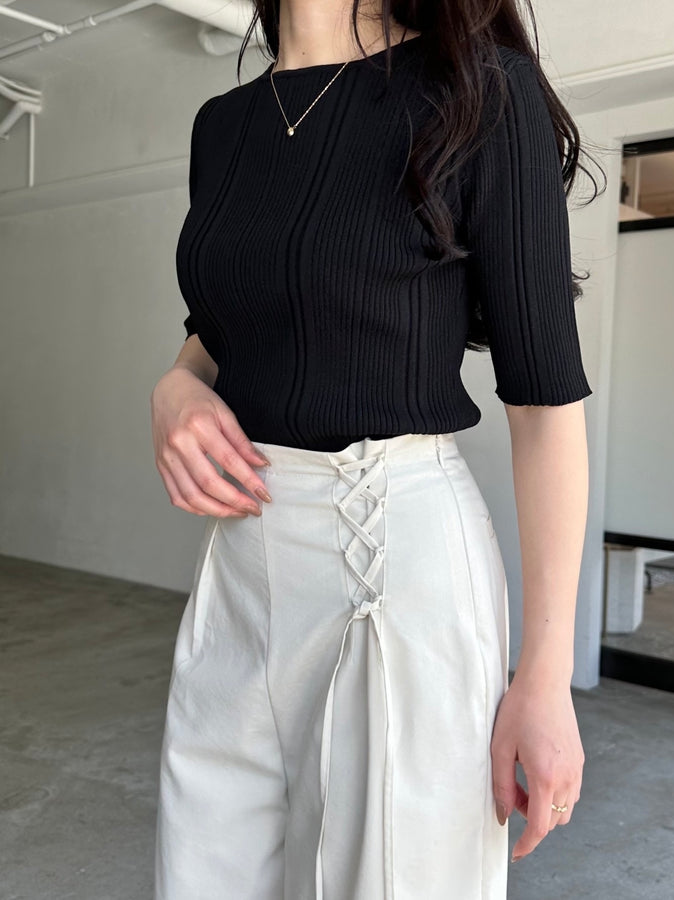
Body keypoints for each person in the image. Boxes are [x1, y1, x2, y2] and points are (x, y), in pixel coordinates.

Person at [151, 1, 598, 897]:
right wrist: (176, 386)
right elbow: (222, 322)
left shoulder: (481, 91)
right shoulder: (222, 125)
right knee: (204, 871)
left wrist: (545, 680)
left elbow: (545, 408)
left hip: (399, 564)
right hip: (242, 569)